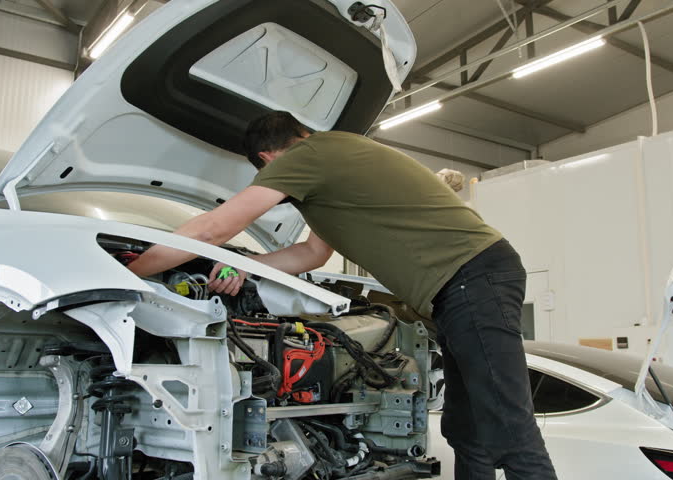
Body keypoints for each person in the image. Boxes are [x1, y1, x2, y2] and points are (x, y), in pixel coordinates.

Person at [127, 111, 557, 480]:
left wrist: (131, 272)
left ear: (268, 159)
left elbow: (212, 229)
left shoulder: (306, 157)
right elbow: (312, 253)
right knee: (467, 427)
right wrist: (245, 267)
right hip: (463, 286)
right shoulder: (336, 157)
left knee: (508, 426)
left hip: (471, 279)